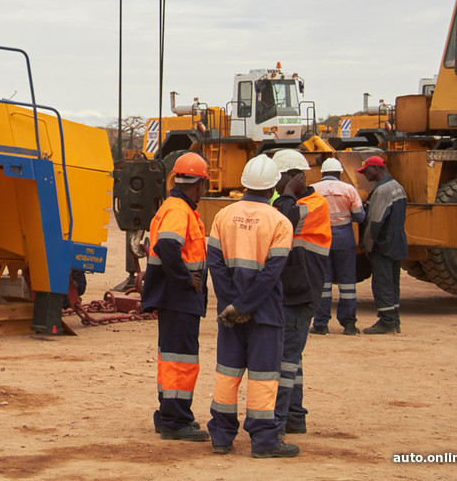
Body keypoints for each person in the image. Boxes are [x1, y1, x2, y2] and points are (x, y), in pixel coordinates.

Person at [206, 154, 298, 458]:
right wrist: (246, 306)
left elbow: (216, 267)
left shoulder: (223, 216)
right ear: (273, 186)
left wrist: (232, 305)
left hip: (229, 314)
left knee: (227, 375)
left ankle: (220, 438)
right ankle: (264, 442)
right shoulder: (280, 222)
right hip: (266, 313)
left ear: (244, 182)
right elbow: (272, 273)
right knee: (263, 378)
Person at [139, 152, 211, 442]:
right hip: (179, 296)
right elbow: (168, 245)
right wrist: (185, 278)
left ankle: (170, 414)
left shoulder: (176, 207)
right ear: (201, 184)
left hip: (176, 297)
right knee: (180, 359)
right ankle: (174, 419)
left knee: (173, 358)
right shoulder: (179, 210)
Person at [270, 149, 331, 438]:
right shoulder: (291, 200)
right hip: (293, 289)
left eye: (280, 178)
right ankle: (295, 417)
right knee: (293, 360)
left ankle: (278, 424)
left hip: (300, 291)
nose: (275, 185)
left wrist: (287, 193)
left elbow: (284, 220)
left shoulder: (313, 204)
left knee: (284, 360)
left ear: (297, 178)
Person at [310, 158, 366, 335]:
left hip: (321, 239)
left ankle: (321, 324)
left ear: (322, 173)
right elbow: (360, 216)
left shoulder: (313, 190)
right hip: (344, 240)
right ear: (340, 172)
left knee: (322, 283)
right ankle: (349, 324)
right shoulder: (348, 189)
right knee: (347, 283)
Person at [358, 155, 408, 334]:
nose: (365, 175)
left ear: (376, 168)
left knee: (382, 282)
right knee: (393, 282)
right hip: (397, 241)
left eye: (366, 171)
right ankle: (394, 320)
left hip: (383, 244)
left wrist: (367, 245)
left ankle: (386, 321)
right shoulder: (397, 186)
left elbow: (375, 222)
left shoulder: (381, 191)